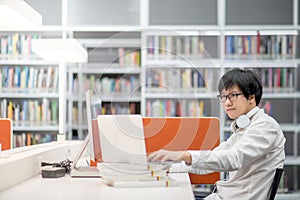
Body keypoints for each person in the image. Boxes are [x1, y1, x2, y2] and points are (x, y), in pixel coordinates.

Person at [147, 68, 286, 200]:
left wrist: (185, 154)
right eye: (224, 97)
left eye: (233, 96)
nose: (227, 103)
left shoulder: (266, 127)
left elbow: (234, 158)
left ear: (251, 97)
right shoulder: (243, 128)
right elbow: (211, 160)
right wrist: (166, 168)